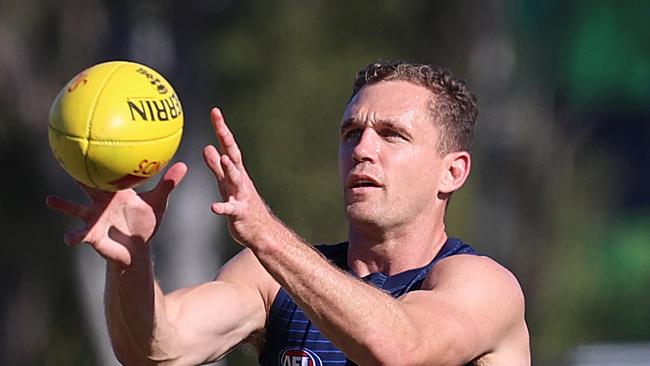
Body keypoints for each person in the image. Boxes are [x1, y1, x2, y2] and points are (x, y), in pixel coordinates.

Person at [47, 60, 530, 365]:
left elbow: (401, 349)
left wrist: (266, 234)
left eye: (391, 135)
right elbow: (157, 349)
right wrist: (130, 263)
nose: (363, 149)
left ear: (453, 172)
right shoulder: (270, 280)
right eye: (350, 134)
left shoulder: (481, 286)